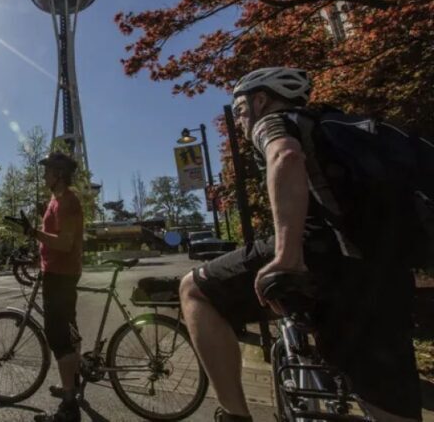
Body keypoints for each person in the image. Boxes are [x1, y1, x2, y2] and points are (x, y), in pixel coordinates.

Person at [179, 67, 421, 421]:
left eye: (241, 109)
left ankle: (235, 415)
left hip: (319, 253)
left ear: (260, 100)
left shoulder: (276, 120)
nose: (242, 120)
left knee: (194, 290)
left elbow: (285, 156)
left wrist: (286, 257)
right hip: (384, 270)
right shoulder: (338, 130)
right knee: (389, 405)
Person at [13, 151, 85, 422]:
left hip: (62, 276)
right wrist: (36, 255)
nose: (44, 175)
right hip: (56, 272)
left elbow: (65, 243)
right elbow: (52, 241)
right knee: (70, 332)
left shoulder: (68, 201)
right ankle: (72, 386)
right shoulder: (56, 200)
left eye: (47, 171)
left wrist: (34, 232)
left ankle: (69, 407)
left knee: (60, 339)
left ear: (59, 174)